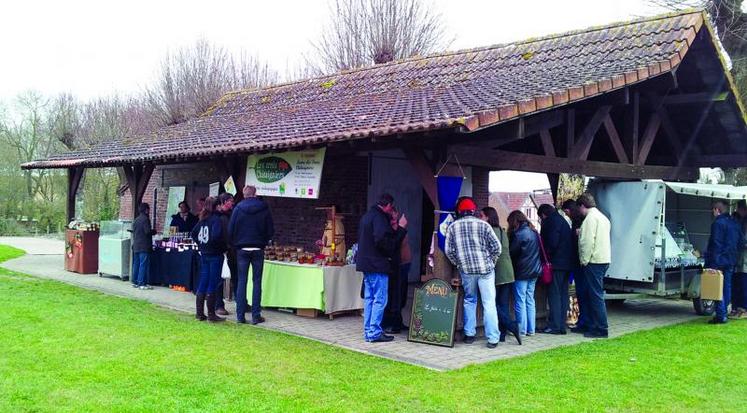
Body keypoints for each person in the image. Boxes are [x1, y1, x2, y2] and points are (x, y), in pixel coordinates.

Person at [445, 197, 501, 348]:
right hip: (486, 270)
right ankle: (493, 338)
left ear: (460, 212)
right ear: (473, 211)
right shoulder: (484, 225)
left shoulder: (452, 227)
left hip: (467, 270)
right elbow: (497, 248)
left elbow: (449, 251)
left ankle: (469, 335)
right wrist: (491, 262)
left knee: (470, 300)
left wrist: (458, 263)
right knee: (489, 303)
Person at [357, 193, 407, 343]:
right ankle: (374, 332)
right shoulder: (379, 218)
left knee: (369, 299)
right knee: (379, 299)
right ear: (387, 206)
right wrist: (401, 229)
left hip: (366, 265)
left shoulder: (367, 216)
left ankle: (368, 331)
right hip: (378, 265)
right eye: (391, 208)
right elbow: (383, 242)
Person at [229, 185, 274, 325]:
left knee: (242, 281)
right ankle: (256, 315)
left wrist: (235, 244)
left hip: (242, 249)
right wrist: (265, 241)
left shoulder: (237, 209)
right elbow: (270, 229)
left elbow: (231, 230)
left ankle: (240, 315)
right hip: (258, 248)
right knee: (257, 282)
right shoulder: (264, 208)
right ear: (255, 194)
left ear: (244, 194)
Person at [481, 207, 522, 344]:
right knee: (502, 304)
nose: (480, 218)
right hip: (508, 271)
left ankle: (511, 325)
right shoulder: (502, 231)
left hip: (498, 272)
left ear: (487, 217)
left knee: (492, 304)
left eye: (481, 216)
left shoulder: (490, 231)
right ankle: (502, 334)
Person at [576, 193, 611, 338]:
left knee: (595, 295)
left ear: (582, 206)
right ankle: (594, 325)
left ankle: (601, 328)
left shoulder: (590, 219)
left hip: (593, 261)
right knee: (596, 294)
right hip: (604, 259)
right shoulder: (603, 217)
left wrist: (583, 260)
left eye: (579, 208)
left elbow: (587, 242)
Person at [538, 203, 575, 335]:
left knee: (554, 294)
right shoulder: (562, 220)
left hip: (556, 264)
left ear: (543, 215)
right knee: (563, 294)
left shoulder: (551, 222)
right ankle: (561, 325)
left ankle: (555, 326)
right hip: (567, 264)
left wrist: (546, 256)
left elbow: (552, 243)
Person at [705, 199, 742, 324]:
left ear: (717, 210)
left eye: (713, 210)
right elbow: (740, 242)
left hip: (718, 260)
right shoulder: (735, 223)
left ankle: (720, 315)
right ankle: (724, 312)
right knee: (727, 287)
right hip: (731, 260)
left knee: (717, 287)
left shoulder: (717, 224)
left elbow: (715, 244)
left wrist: (711, 262)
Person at [191, 197, 227, 322]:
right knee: (213, 282)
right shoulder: (216, 219)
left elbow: (193, 233)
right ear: (216, 206)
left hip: (204, 254)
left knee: (203, 281)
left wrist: (201, 245)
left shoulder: (202, 219)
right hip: (215, 254)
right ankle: (211, 314)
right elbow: (217, 236)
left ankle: (199, 313)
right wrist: (223, 247)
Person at [507, 210, 542, 337]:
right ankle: (531, 329)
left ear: (515, 221)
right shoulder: (534, 232)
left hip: (521, 272)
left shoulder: (518, 235)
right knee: (530, 300)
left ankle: (521, 330)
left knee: (520, 301)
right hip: (535, 271)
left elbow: (512, 253)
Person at [382, 207, 409, 334]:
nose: (394, 218)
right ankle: (390, 323)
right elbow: (394, 244)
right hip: (396, 265)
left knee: (402, 295)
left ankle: (398, 321)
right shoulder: (390, 230)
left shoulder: (399, 228)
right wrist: (401, 228)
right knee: (394, 295)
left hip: (405, 264)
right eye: (392, 216)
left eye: (395, 214)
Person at [562, 199, 587, 333]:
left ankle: (582, 321)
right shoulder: (581, 221)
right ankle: (582, 320)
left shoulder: (578, 223)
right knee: (580, 292)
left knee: (581, 292)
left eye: (566, 212)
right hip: (579, 262)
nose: (566, 215)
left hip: (578, 262)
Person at [214, 192, 236, 316]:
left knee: (236, 276)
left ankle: (241, 302)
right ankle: (219, 305)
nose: (232, 203)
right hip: (222, 251)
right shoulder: (218, 217)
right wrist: (224, 248)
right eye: (230, 201)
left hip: (232, 250)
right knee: (219, 279)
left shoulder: (231, 215)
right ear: (223, 202)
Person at [131, 202, 155, 290]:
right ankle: (141, 283)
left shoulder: (136, 220)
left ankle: (135, 281)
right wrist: (154, 231)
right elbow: (147, 232)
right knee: (143, 264)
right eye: (148, 209)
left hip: (136, 245)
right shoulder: (145, 219)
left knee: (136, 264)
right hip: (144, 246)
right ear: (146, 210)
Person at [731, 200, 747, 319]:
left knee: (743, 284)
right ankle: (736, 308)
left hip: (744, 259)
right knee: (737, 283)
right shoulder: (739, 221)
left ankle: (743, 308)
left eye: (739, 208)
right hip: (737, 258)